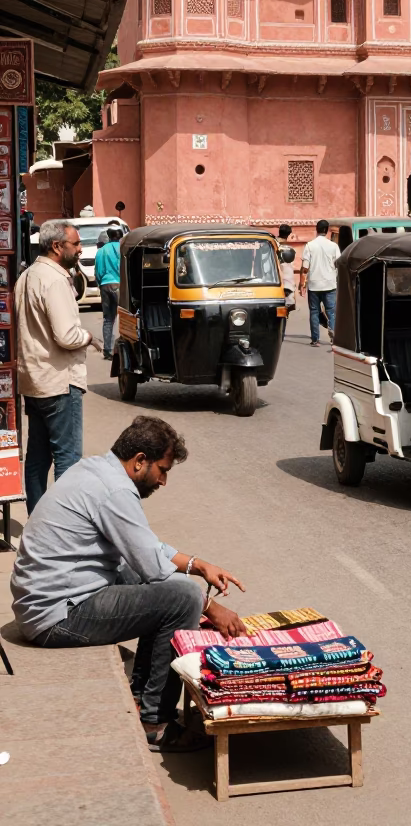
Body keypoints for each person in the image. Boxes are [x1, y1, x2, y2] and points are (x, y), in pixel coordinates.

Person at [11, 415, 246, 752]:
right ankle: (156, 722)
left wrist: (198, 565)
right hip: (55, 617)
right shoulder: (116, 490)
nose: (163, 481)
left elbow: (144, 547)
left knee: (146, 578)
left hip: (43, 603)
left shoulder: (94, 469)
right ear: (139, 462)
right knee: (183, 598)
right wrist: (211, 607)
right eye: (162, 470)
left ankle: (139, 696)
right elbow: (154, 568)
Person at [15, 220, 103, 514]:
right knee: (67, 460)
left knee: (38, 458)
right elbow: (67, 336)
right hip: (59, 383)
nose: (80, 250)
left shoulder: (27, 276)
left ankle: (39, 526)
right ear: (56, 246)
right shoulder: (54, 280)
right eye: (76, 244)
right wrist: (89, 337)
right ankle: (62, 530)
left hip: (35, 381)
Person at [299, 219, 340, 348]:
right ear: (327, 230)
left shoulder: (310, 245)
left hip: (314, 284)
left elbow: (305, 267)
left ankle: (315, 340)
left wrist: (302, 284)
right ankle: (333, 334)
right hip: (330, 283)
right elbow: (338, 263)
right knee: (331, 312)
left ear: (316, 229)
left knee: (314, 312)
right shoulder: (333, 246)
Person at [94, 226, 122, 360]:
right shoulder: (122, 248)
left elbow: (97, 273)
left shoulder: (101, 251)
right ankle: (124, 346)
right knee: (125, 316)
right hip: (119, 284)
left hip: (104, 285)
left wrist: (101, 284)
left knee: (108, 318)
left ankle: (108, 350)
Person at [277, 224, 296, 340]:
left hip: (273, 285)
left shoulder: (269, 245)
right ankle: (281, 335)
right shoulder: (289, 250)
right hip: (286, 286)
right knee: (284, 313)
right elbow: (289, 272)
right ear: (289, 235)